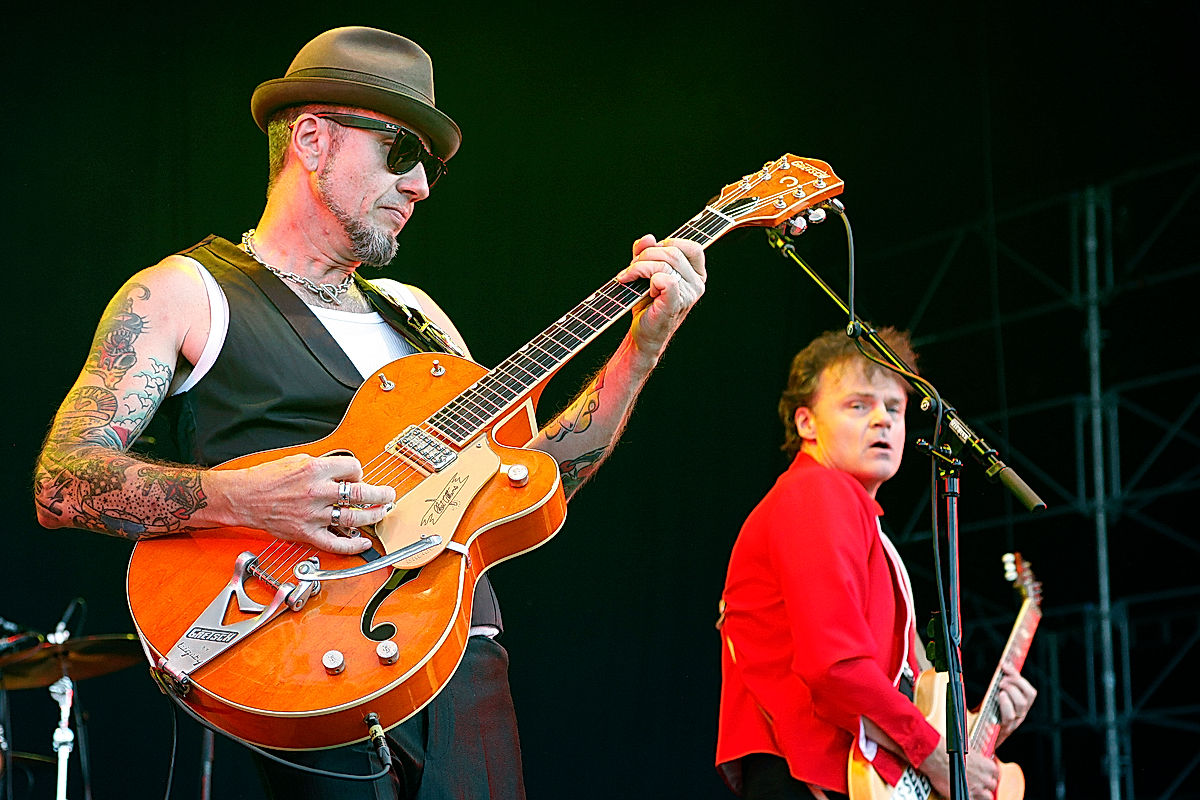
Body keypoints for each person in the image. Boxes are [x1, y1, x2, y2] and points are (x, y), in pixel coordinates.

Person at [33, 25, 706, 800]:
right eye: (400, 152)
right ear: (313, 141)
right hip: (291, 667)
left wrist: (641, 349)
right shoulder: (188, 292)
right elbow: (63, 480)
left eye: (431, 168)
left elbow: (528, 489)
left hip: (458, 666)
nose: (419, 184)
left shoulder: (420, 322)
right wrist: (248, 499)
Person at [714, 328, 1036, 800]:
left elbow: (898, 690)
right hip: (811, 776)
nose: (883, 420)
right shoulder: (818, 493)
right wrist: (934, 755)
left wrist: (980, 729)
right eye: (858, 405)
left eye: (895, 408)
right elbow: (835, 666)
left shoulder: (852, 514)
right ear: (806, 422)